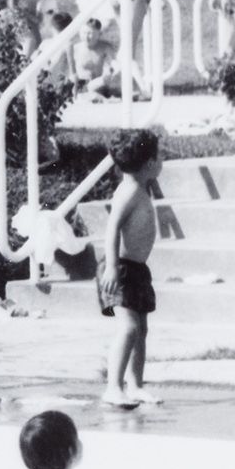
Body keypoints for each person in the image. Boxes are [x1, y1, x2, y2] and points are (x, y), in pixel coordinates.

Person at [97, 129, 162, 408]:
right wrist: (111, 267)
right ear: (149, 163)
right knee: (129, 328)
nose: (162, 162)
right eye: (159, 157)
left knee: (141, 330)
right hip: (120, 269)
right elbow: (111, 229)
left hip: (136, 269)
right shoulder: (129, 192)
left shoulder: (140, 188)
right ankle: (113, 387)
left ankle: (135, 385)